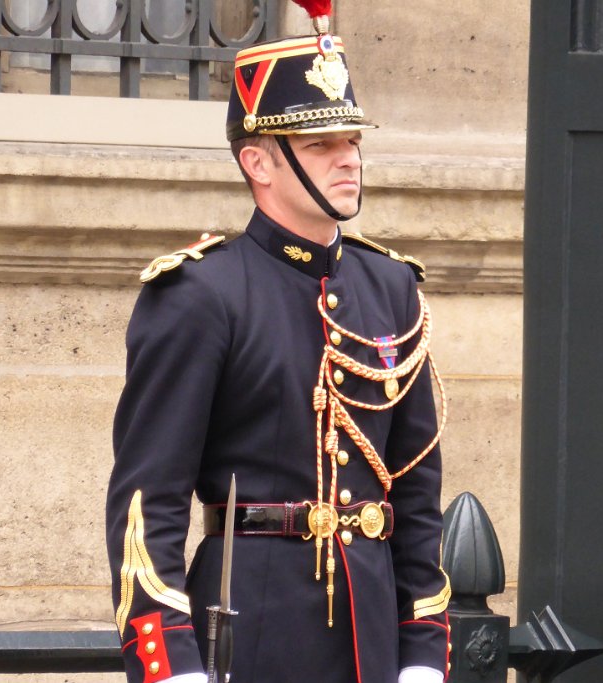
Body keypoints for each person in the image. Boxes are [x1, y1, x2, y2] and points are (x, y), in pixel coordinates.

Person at [104, 11, 451, 683]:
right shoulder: (201, 293)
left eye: (352, 138)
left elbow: (416, 493)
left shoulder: (391, 288)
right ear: (258, 160)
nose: (348, 156)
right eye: (321, 143)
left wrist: (420, 654)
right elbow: (149, 503)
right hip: (250, 634)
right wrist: (171, 667)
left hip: (373, 643)